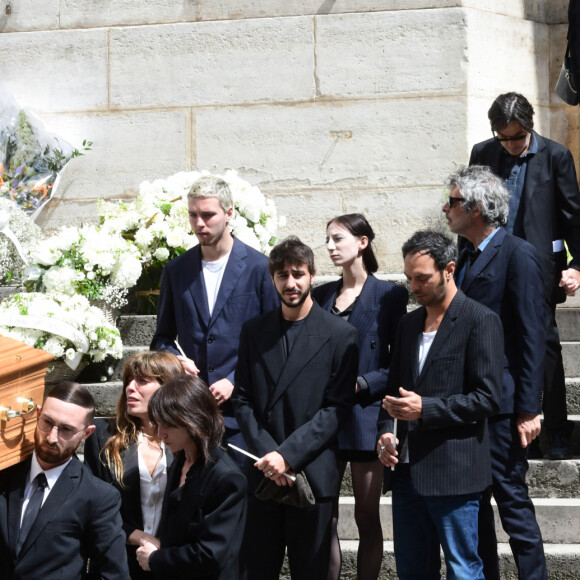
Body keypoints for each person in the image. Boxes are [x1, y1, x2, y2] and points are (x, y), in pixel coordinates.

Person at [377, 230, 503, 580]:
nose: (413, 287)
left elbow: (488, 398)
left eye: (422, 278)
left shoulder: (480, 320)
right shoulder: (407, 324)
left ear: (449, 269)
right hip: (405, 473)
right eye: (409, 278)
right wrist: (386, 434)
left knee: (464, 570)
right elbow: (392, 393)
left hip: (454, 474)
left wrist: (426, 409)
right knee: (413, 571)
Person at [232, 236, 359, 579]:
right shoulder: (253, 332)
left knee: (313, 571)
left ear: (313, 275)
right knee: (256, 570)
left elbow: (336, 409)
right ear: (272, 278)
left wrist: (287, 456)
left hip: (312, 474)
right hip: (262, 471)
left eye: (298, 274)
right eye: (282, 275)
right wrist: (269, 455)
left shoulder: (340, 335)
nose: (291, 283)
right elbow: (241, 400)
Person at [443, 165, 547, 579]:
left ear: (477, 208)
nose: (446, 209)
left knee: (512, 503)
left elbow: (531, 336)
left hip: (503, 407)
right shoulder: (463, 256)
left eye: (452, 202)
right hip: (468, 403)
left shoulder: (517, 253)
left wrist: (528, 408)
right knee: (475, 506)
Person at [469, 91, 580, 458]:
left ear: (529, 128)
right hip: (489, 265)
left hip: (536, 268)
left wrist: (576, 265)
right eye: (504, 138)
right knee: (490, 348)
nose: (511, 144)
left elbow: (572, 216)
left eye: (518, 137)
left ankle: (558, 435)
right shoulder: (483, 153)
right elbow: (468, 210)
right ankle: (498, 432)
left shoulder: (556, 156)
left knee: (544, 347)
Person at [150, 174, 279, 458]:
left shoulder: (260, 268)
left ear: (229, 213)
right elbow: (161, 337)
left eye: (208, 215)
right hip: (190, 415)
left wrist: (235, 380)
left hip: (244, 415)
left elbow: (274, 341)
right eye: (193, 215)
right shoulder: (176, 271)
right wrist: (174, 360)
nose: (199, 223)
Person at [313, 213, 408, 580]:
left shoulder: (390, 295)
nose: (330, 247)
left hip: (367, 417)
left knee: (366, 514)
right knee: (326, 514)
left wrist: (361, 383)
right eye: (328, 240)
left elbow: (397, 363)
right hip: (327, 418)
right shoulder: (321, 295)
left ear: (362, 243)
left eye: (338, 239)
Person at [0, 382, 129, 579]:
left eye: (66, 430)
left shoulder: (97, 497)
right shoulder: (5, 474)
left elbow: (113, 574)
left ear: (87, 433)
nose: (51, 437)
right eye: (47, 422)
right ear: (38, 414)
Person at [84, 351, 186, 579]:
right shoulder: (102, 437)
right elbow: (92, 509)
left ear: (168, 388)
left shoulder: (184, 443)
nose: (130, 387)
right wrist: (139, 536)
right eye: (128, 380)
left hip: (169, 564)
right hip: (119, 564)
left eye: (142, 381)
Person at [135, 374, 247, 580]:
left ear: (193, 420)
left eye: (168, 425)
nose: (160, 434)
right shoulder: (179, 460)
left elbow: (211, 554)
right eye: (158, 425)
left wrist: (156, 559)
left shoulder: (227, 478)